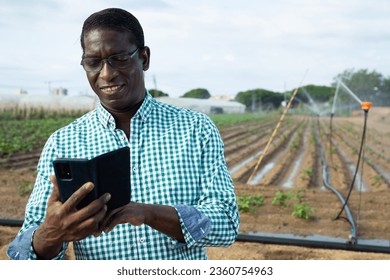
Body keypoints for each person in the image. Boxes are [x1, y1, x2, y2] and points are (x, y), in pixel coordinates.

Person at [7, 8, 239, 260]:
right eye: (93, 62)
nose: (106, 74)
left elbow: (226, 223)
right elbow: (25, 252)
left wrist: (150, 214)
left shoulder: (195, 129)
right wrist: (51, 233)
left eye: (118, 58)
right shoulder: (63, 143)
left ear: (144, 58)